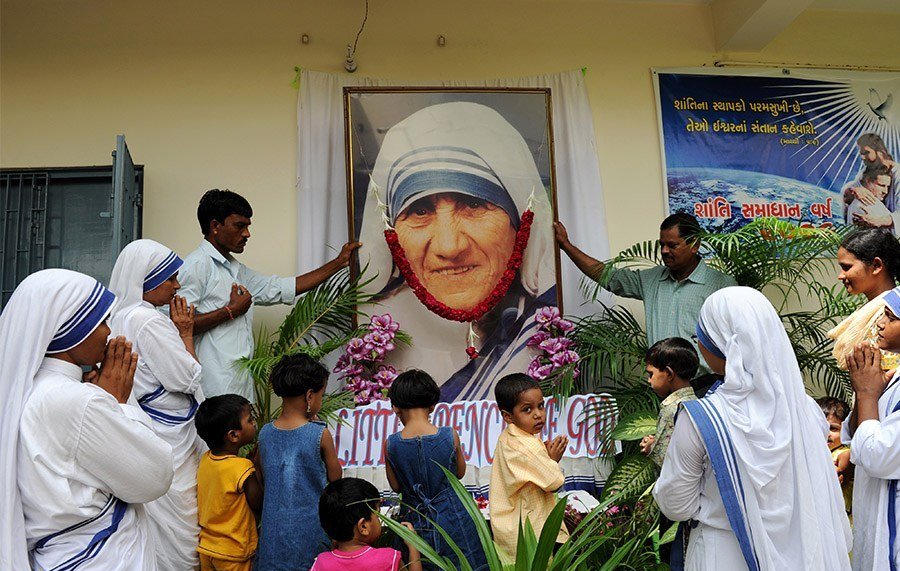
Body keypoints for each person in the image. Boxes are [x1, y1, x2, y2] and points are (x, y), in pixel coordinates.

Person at [653, 287, 854, 571]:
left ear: (721, 343)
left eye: (701, 338)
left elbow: (675, 503)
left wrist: (717, 507)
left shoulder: (703, 418)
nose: (700, 346)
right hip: (800, 554)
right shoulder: (807, 412)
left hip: (723, 560)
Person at [356, 102, 558, 405]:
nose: (449, 247)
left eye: (474, 205)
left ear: (520, 222)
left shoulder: (545, 321)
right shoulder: (373, 332)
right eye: (420, 210)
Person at [0, 269, 175, 571]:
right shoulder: (75, 401)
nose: (110, 334)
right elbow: (155, 476)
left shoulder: (35, 391)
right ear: (72, 326)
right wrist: (120, 403)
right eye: (102, 322)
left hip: (62, 566)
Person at [178, 188, 360, 400]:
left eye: (247, 226)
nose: (247, 234)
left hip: (238, 386)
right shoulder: (196, 266)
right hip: (210, 389)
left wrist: (339, 263)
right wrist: (230, 311)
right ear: (215, 226)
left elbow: (283, 287)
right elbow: (178, 325)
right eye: (239, 226)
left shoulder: (237, 270)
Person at [108, 238, 206, 571]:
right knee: (181, 526)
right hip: (169, 439)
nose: (177, 286)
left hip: (150, 430)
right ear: (148, 282)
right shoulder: (147, 320)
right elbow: (187, 376)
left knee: (156, 525)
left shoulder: (118, 315)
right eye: (171, 279)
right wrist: (185, 333)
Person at [554, 212, 736, 377]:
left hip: (706, 388)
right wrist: (566, 246)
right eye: (662, 245)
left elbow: (737, 342)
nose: (664, 251)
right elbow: (608, 277)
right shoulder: (651, 280)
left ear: (694, 245)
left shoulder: (722, 286)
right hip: (662, 387)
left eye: (672, 245)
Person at [383, 370, 489, 571]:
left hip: (414, 521)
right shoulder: (450, 435)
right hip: (454, 519)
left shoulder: (391, 443)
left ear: (396, 407)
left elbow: (396, 486)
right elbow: (459, 473)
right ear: (432, 405)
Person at [255, 354, 343, 571]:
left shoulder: (265, 434)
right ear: (309, 396)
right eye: (321, 394)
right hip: (311, 530)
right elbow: (336, 479)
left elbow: (261, 478)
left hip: (273, 533)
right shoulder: (319, 434)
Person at [844, 287, 900, 571]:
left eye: (891, 318)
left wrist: (867, 393)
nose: (880, 323)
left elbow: (877, 455)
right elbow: (858, 435)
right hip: (875, 513)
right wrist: (869, 391)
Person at [489, 373, 569, 562]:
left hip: (512, 528)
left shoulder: (510, 437)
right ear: (508, 416)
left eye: (541, 405)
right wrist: (553, 460)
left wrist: (546, 459)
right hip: (529, 531)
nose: (538, 414)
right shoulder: (526, 446)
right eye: (527, 409)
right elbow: (555, 482)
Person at [307, 478, 423, 571]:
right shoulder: (388, 559)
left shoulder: (321, 564)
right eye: (377, 514)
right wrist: (414, 546)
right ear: (363, 526)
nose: (380, 519)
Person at [194, 394, 262, 571]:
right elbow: (258, 503)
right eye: (250, 420)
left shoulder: (207, 459)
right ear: (233, 435)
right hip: (233, 552)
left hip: (207, 548)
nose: (254, 423)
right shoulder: (242, 467)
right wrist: (257, 467)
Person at [829, 227, 900, 372]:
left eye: (847, 267)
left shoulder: (890, 316)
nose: (841, 275)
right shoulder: (871, 312)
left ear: (876, 266)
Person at [639, 337, 699, 470]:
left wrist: (650, 448)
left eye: (651, 374)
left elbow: (665, 460)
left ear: (668, 374)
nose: (649, 380)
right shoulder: (695, 402)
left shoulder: (671, 409)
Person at [843, 133, 899, 230]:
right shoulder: (868, 172)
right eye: (861, 154)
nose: (862, 157)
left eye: (866, 152)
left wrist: (877, 222)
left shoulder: (898, 174)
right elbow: (848, 194)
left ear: (880, 152)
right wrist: (854, 190)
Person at [816, 396, 853, 515]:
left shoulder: (843, 453)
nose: (826, 433)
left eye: (833, 428)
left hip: (838, 516)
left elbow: (839, 473)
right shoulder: (815, 451)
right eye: (821, 427)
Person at [845, 165, 894, 229]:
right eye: (881, 185)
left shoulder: (874, 203)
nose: (885, 191)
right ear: (868, 181)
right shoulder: (863, 205)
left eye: (887, 187)